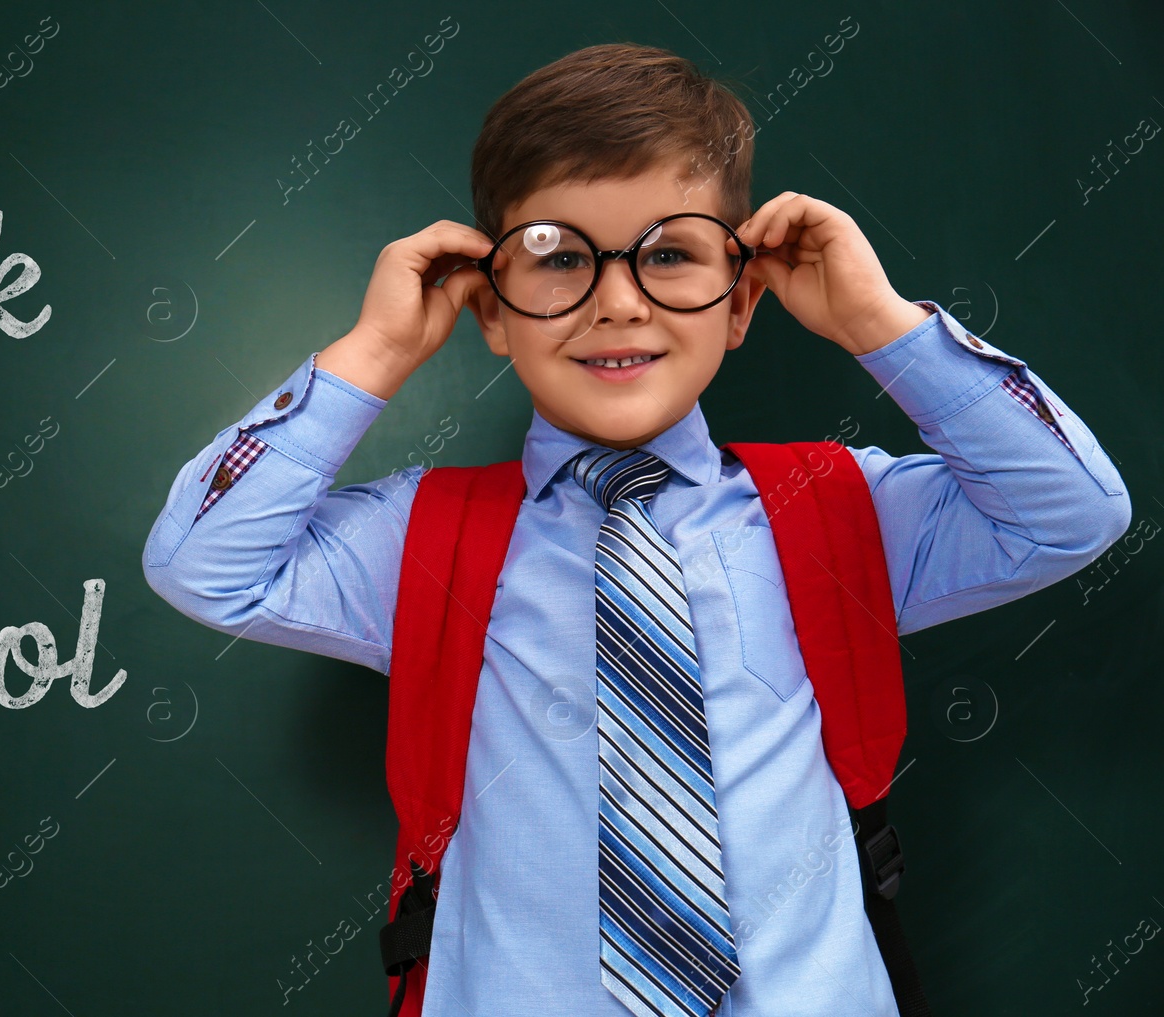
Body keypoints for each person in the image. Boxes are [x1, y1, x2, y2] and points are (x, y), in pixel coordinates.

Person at [142, 42, 1131, 1017]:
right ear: (492, 309)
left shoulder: (836, 511)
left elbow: (1070, 511)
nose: (616, 302)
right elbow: (204, 566)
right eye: (556, 257)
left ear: (741, 300)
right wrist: (376, 351)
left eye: (669, 255)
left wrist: (878, 324)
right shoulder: (422, 541)